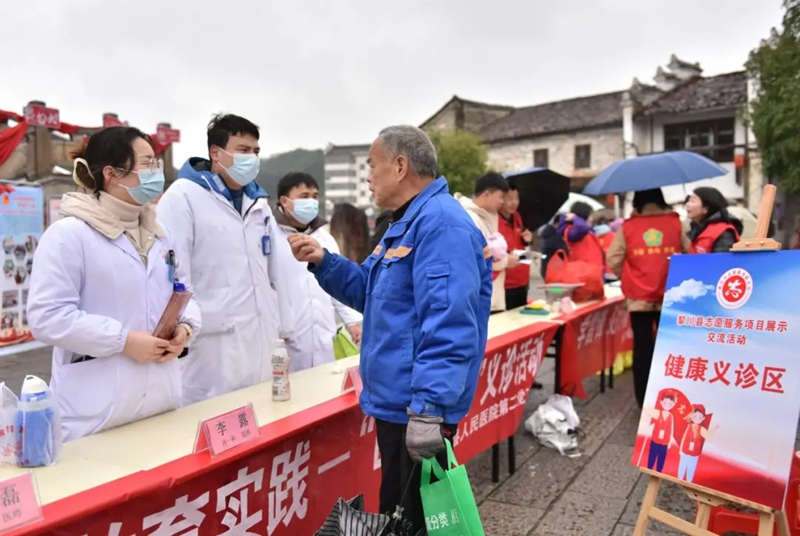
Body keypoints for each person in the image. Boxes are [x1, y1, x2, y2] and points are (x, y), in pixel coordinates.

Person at [288, 125, 492, 534]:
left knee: (412, 521)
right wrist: (324, 261)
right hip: (399, 401)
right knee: (399, 518)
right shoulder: (407, 223)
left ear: (400, 167)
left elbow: (450, 323)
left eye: (372, 166)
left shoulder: (441, 226)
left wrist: (429, 408)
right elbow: (371, 290)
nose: (368, 177)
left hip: (416, 406)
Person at [26, 127, 201, 441]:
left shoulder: (161, 236)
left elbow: (184, 292)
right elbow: (47, 317)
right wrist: (123, 341)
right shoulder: (69, 235)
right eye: (146, 164)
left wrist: (185, 329)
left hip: (161, 402)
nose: (156, 172)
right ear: (112, 173)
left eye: (156, 163)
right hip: (95, 414)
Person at [156, 114, 296, 405]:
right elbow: (174, 273)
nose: (252, 158)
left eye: (256, 151)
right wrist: (181, 329)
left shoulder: (258, 203)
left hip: (261, 335)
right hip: (211, 341)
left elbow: (276, 271)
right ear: (215, 152)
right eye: (243, 150)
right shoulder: (183, 196)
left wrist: (285, 325)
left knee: (261, 412)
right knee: (213, 417)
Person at [607, 189, 689, 407]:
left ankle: (644, 399)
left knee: (642, 348)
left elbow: (613, 258)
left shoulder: (628, 227)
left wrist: (628, 277)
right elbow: (690, 254)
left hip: (638, 298)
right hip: (671, 294)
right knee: (670, 347)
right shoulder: (676, 224)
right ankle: (672, 395)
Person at [273, 172, 362, 370]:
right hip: (286, 339)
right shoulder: (271, 236)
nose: (311, 202)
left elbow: (337, 281)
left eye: (314, 196)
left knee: (323, 382)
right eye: (304, 196)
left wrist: (351, 321)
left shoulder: (325, 238)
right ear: (285, 201)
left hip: (324, 336)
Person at [458, 172, 519, 313]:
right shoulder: (468, 217)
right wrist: (505, 261)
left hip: (494, 298)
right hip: (479, 300)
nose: (502, 202)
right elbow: (474, 259)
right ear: (487, 194)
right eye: (500, 197)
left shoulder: (490, 214)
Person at [498, 178, 533, 309]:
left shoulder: (517, 216)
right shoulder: (494, 219)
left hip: (522, 279)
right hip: (505, 283)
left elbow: (520, 242)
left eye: (516, 198)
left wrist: (527, 239)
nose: (514, 203)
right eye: (509, 198)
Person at [685, 187, 742, 253]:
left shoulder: (724, 232)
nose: (687, 204)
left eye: (693, 201)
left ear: (705, 208)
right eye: (688, 201)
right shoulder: (696, 229)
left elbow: (722, 258)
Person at [558, 201, 606, 270]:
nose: (591, 219)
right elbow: (582, 228)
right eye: (590, 216)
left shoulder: (588, 231)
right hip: (583, 272)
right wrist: (575, 217)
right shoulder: (572, 231)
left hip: (593, 271)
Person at [677, 404, 717, 483]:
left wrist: (714, 429)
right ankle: (679, 478)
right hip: (685, 451)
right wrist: (680, 449)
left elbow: (708, 435)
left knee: (691, 468)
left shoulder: (701, 429)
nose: (697, 419)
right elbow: (684, 438)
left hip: (694, 454)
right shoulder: (689, 426)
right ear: (691, 416)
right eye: (695, 416)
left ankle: (689, 481)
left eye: (699, 417)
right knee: (682, 466)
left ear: (703, 418)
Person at [645, 392, 678, 473]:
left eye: (670, 404)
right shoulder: (657, 413)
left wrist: (670, 442)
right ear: (661, 402)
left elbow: (671, 429)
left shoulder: (671, 416)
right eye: (665, 402)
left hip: (665, 442)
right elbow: (647, 410)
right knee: (652, 456)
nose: (667, 405)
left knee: (661, 458)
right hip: (655, 440)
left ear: (673, 405)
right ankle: (649, 469)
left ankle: (658, 472)